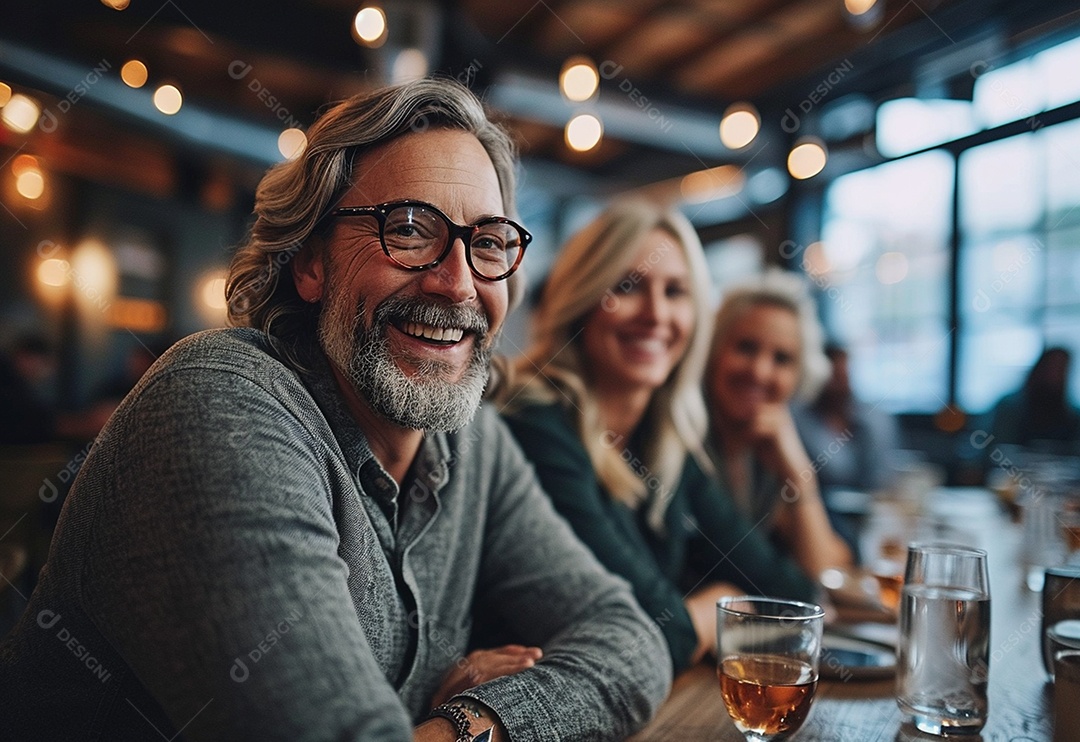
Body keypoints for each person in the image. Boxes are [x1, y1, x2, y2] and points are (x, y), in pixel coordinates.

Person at [0, 79, 671, 741]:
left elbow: (632, 642)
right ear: (311, 263)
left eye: (489, 242)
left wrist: (474, 722)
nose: (458, 282)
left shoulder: (477, 443)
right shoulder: (217, 405)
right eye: (409, 229)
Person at [495, 201, 816, 677]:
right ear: (583, 299)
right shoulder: (536, 425)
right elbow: (650, 635)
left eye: (676, 292)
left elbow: (796, 601)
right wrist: (719, 605)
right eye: (627, 287)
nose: (656, 314)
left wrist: (710, 614)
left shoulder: (664, 441)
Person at [705, 271, 852, 579]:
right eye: (746, 347)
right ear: (713, 350)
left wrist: (799, 477)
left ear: (800, 376)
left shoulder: (774, 447)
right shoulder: (686, 439)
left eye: (781, 359)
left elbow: (827, 567)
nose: (760, 372)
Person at [792, 343, 902, 492]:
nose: (841, 377)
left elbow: (884, 475)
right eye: (835, 372)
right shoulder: (799, 419)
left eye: (845, 370)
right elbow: (835, 473)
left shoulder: (875, 418)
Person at [987, 346, 1080, 452]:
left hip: (1060, 467)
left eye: (1061, 368)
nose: (1056, 374)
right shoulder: (1010, 407)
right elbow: (998, 447)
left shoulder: (1072, 415)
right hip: (1012, 466)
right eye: (1052, 367)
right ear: (1041, 368)